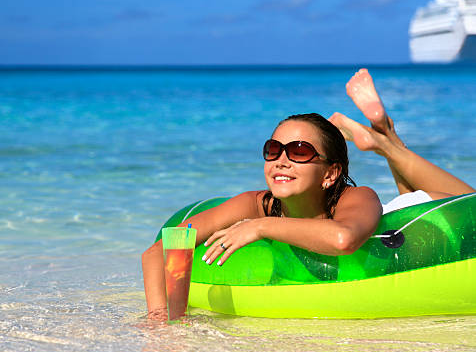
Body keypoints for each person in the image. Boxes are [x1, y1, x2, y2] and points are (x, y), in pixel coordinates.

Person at [142, 68, 475, 321]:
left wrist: (260, 228)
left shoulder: (359, 198)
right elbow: (159, 251)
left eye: (299, 151)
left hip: (418, 216)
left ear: (330, 173)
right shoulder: (254, 202)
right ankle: (376, 137)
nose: (281, 160)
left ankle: (385, 139)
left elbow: (344, 239)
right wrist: (164, 321)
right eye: (273, 150)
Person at [329, 68, 475, 212]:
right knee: (472, 206)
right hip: (408, 214)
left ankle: (385, 138)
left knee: (413, 201)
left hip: (406, 215)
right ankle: (385, 140)